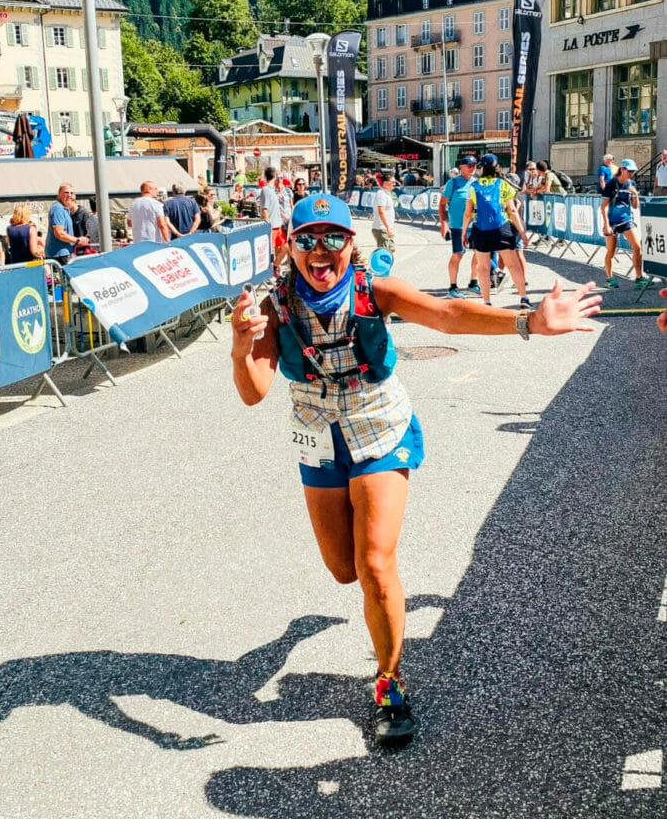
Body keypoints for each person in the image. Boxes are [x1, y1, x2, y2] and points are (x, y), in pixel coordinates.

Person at [231, 193, 601, 747]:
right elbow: (254, 393)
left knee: (375, 562)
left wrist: (529, 321)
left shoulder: (372, 290)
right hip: (317, 436)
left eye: (334, 237)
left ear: (350, 243)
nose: (321, 250)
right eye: (308, 238)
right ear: (291, 246)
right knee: (343, 570)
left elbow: (448, 314)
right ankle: (323, 634)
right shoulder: (276, 304)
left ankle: (389, 684)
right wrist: (241, 348)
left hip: (378, 425)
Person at [461, 155, 530, 307]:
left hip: (480, 229)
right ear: (497, 167)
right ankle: (524, 298)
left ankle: (487, 302)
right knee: (513, 265)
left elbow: (467, 213)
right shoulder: (503, 184)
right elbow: (512, 210)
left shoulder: (473, 186)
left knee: (483, 267)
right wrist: (522, 232)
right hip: (501, 228)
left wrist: (464, 233)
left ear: (482, 168)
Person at [600, 158, 650, 289]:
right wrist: (606, 225)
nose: (632, 173)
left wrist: (635, 195)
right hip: (612, 221)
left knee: (637, 246)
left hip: (626, 220)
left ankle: (639, 277)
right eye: (630, 171)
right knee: (611, 251)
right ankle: (609, 278)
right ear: (622, 169)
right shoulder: (611, 184)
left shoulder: (631, 183)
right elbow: (604, 207)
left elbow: (635, 206)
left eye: (634, 171)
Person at [439, 155, 479, 298]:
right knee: (458, 255)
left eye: (474, 165)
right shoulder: (453, 183)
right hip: (457, 226)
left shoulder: (477, 183)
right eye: (469, 165)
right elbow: (442, 204)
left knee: (478, 255)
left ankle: (473, 283)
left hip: (475, 225)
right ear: (461, 167)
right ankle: (452, 287)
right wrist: (444, 224)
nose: (473, 168)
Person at [45, 184, 90, 264]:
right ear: (59, 194)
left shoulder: (64, 208)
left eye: (72, 193)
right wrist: (78, 240)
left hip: (63, 254)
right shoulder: (58, 208)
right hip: (59, 255)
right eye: (66, 192)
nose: (69, 195)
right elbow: (59, 233)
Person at [259, 166, 285, 272]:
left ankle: (275, 267)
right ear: (275, 176)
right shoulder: (265, 190)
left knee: (284, 247)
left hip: (278, 225)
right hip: (272, 226)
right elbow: (264, 210)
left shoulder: (273, 190)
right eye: (279, 176)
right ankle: (274, 270)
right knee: (270, 251)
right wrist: (267, 226)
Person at [372, 172, 396, 254]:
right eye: (392, 182)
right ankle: (376, 266)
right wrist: (388, 227)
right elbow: (381, 212)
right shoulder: (381, 194)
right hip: (381, 228)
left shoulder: (386, 193)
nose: (394, 184)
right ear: (385, 183)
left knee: (390, 250)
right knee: (383, 254)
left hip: (386, 228)